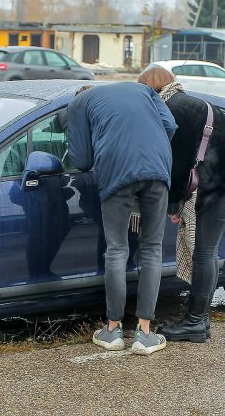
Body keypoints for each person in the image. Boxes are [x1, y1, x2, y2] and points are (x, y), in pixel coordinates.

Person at [67, 82, 177, 355]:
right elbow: (170, 125)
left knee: (116, 249)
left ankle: (113, 330)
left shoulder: (78, 104)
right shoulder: (141, 89)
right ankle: (145, 333)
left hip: (116, 172)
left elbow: (81, 160)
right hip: (157, 168)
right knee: (152, 249)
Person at [138, 65, 225, 342]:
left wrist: (173, 204)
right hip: (219, 182)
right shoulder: (201, 103)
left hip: (211, 186)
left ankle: (196, 322)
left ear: (150, 87)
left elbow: (177, 163)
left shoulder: (173, 109)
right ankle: (200, 320)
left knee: (203, 252)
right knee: (207, 251)